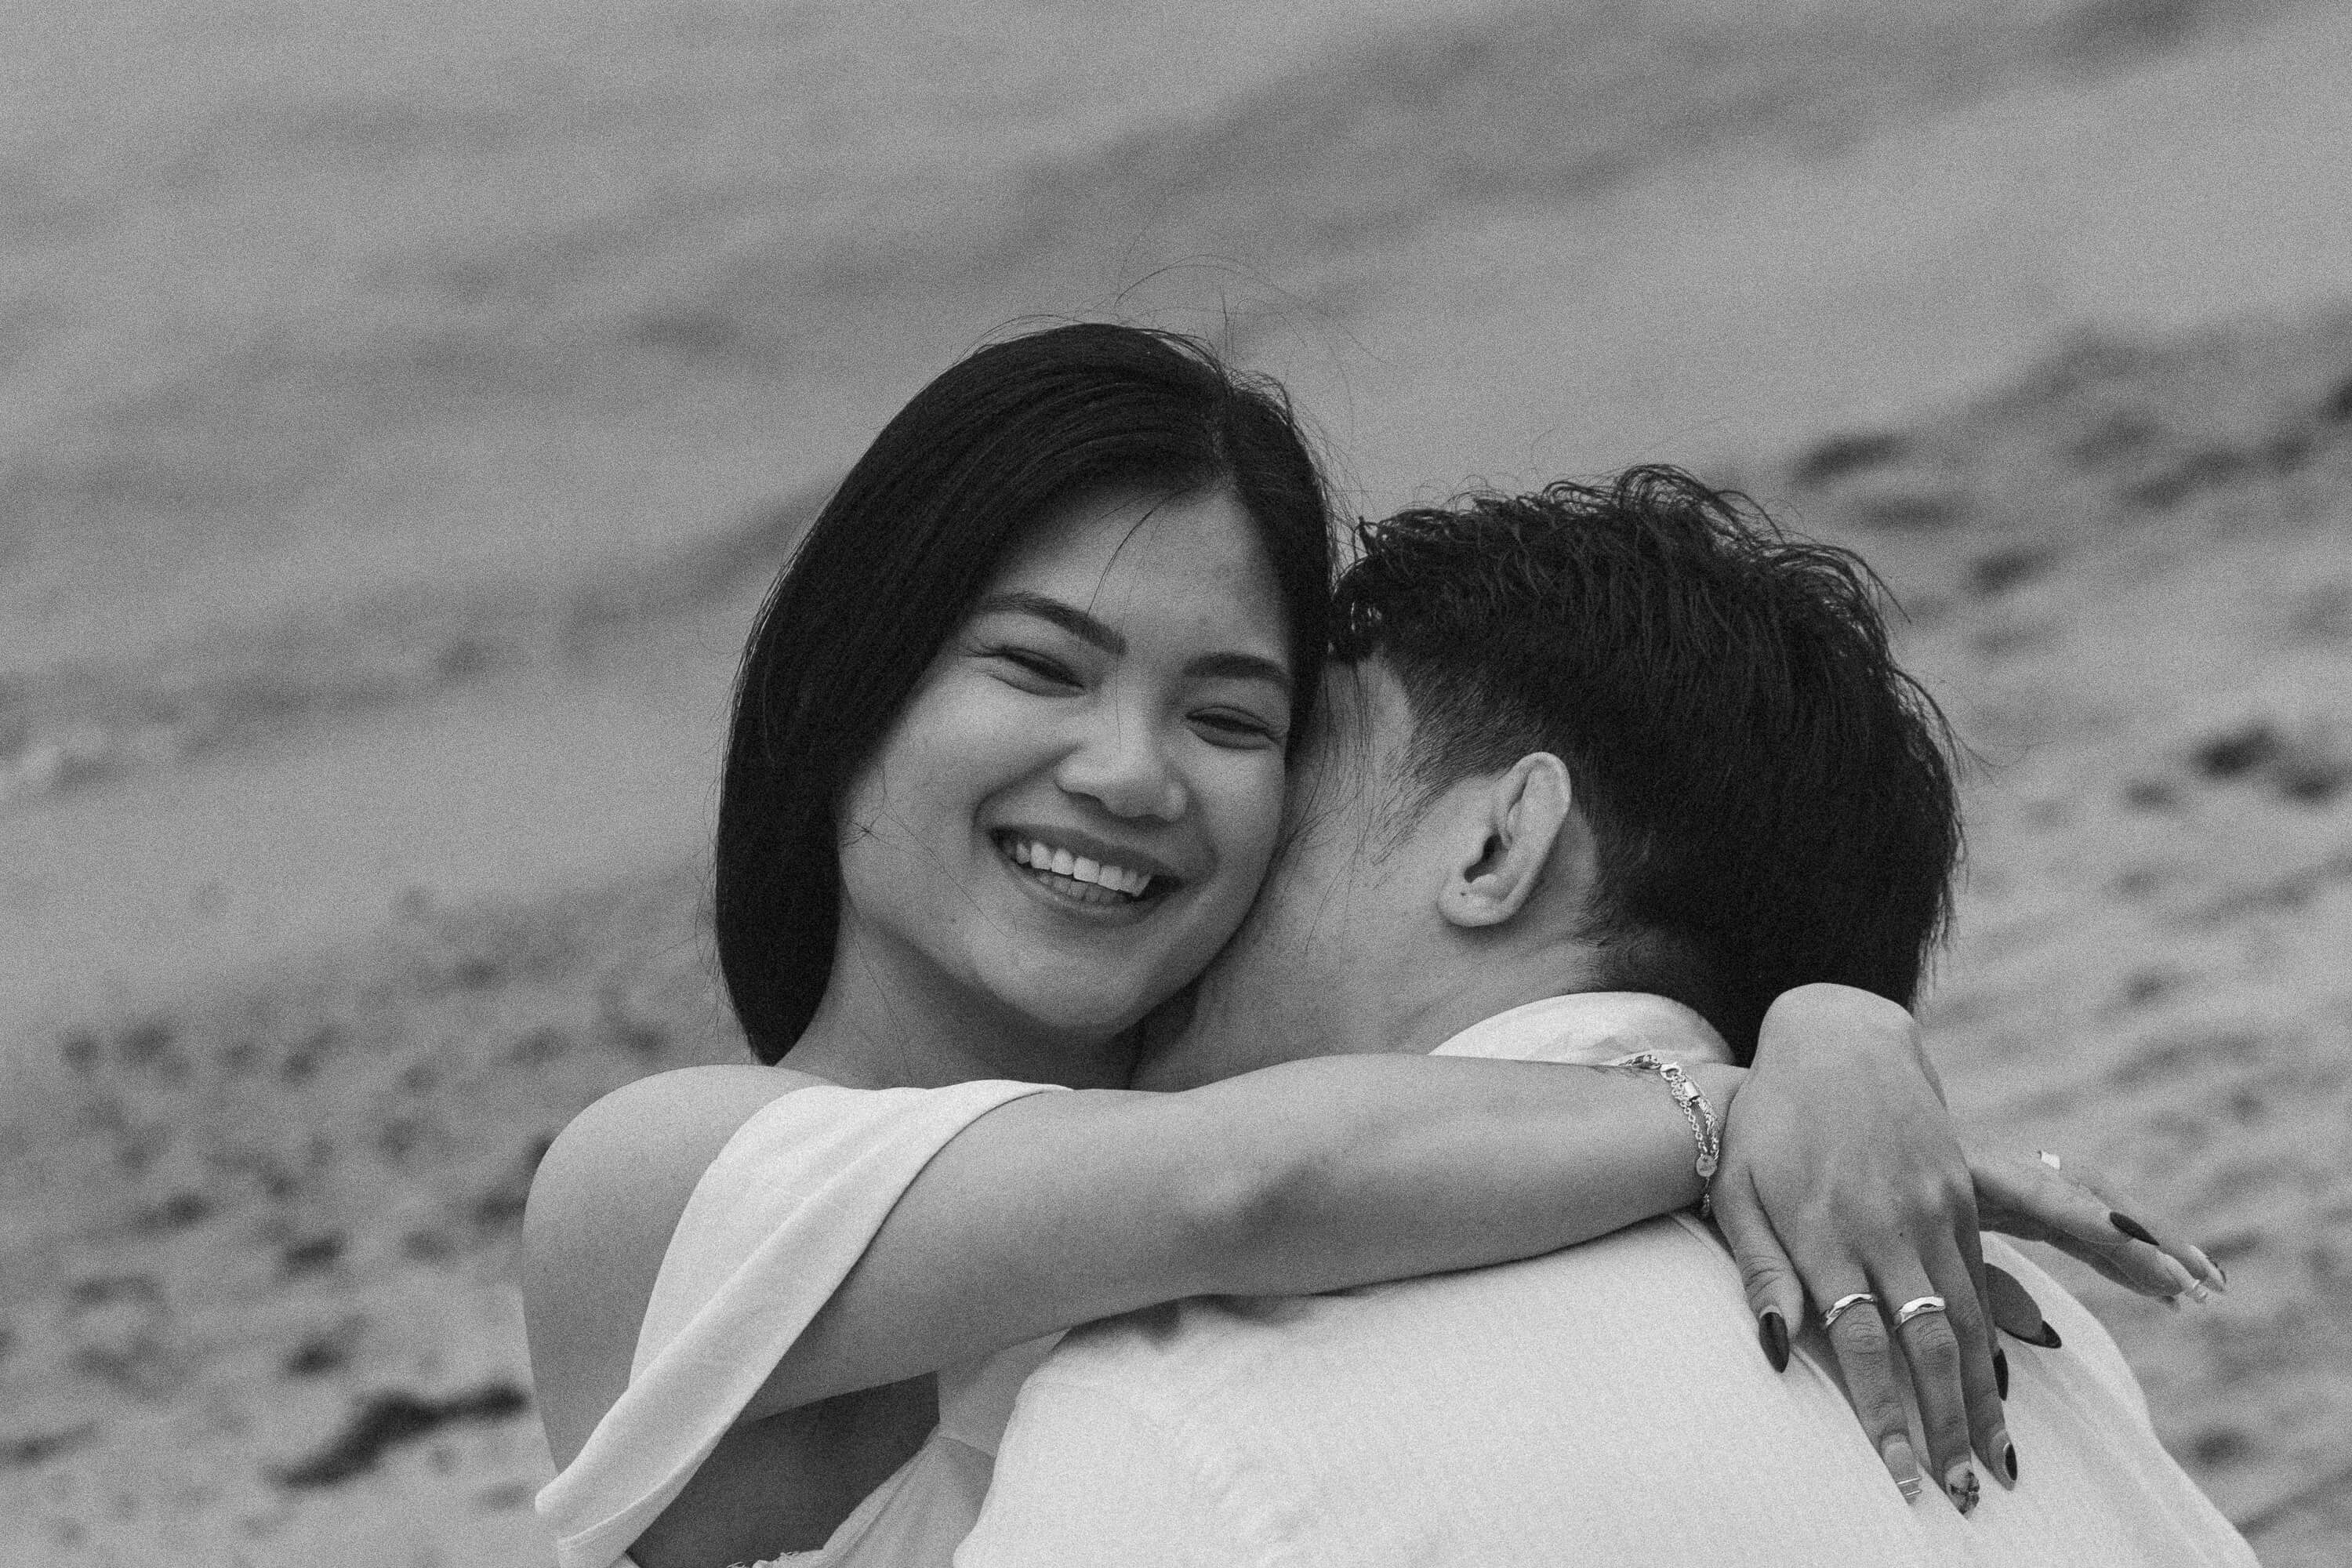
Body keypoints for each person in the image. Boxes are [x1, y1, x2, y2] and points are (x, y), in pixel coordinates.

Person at [523, 326, 2127, 1568]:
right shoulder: (657, 1179)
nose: (1132, 774)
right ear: (847, 686)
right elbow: (1242, 1188)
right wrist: (1742, 1093)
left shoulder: (1366, 1174)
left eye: (1233, 718)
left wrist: (1821, 1025)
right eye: (1039, 666)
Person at [956, 470, 2254, 1566]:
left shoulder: (1183, 1421)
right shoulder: (2036, 1344)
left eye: (1286, 754)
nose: (1208, 837)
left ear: (1498, 845)